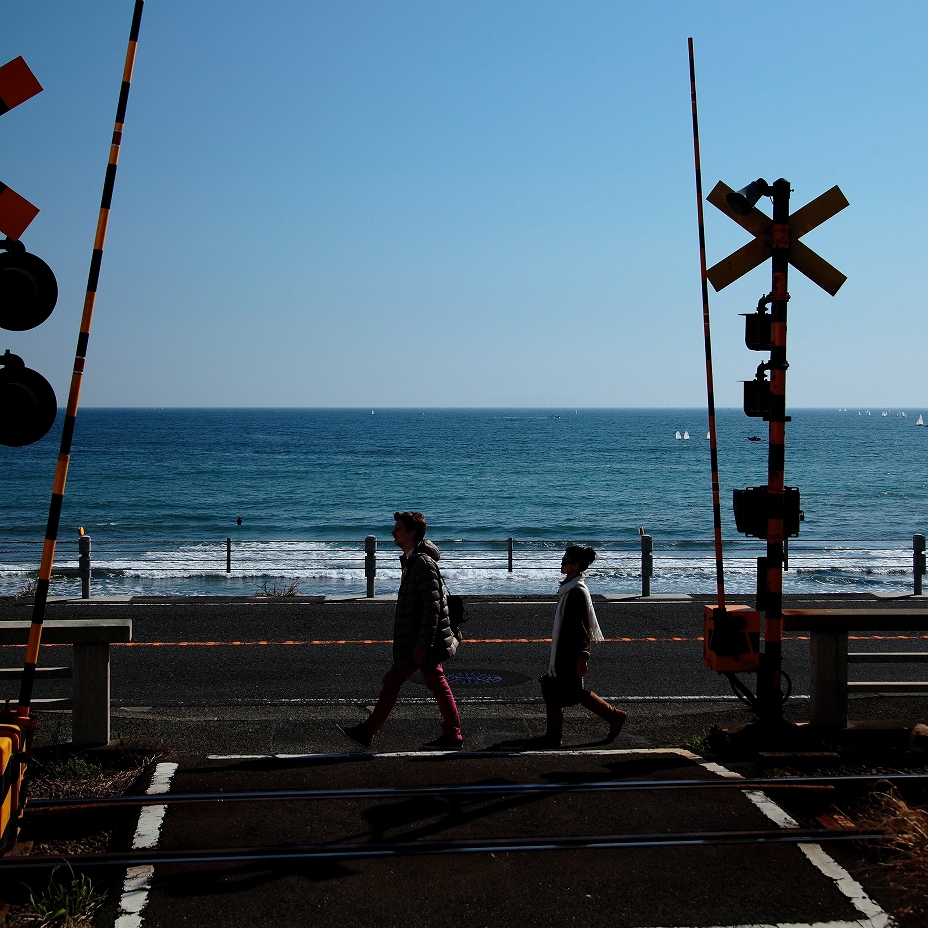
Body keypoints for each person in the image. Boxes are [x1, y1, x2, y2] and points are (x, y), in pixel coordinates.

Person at [338, 511, 463, 750]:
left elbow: (432, 606)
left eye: (398, 528)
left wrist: (422, 644)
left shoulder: (422, 564)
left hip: (421, 641)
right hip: (419, 639)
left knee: (393, 680)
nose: (393, 532)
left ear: (411, 532)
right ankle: (452, 734)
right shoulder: (412, 560)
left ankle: (368, 731)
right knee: (434, 681)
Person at [536, 545, 626, 747]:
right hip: (564, 649)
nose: (561, 562)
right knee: (556, 689)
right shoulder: (570, 587)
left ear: (575, 566)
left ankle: (614, 716)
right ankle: (554, 735)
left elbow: (582, 626)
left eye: (565, 560)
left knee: (569, 691)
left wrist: (583, 655)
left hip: (569, 652)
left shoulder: (576, 592)